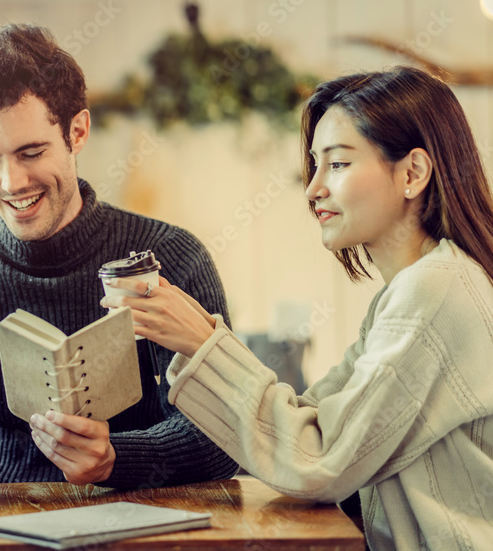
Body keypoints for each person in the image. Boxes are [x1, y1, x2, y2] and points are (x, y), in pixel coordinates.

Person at [102, 66, 493, 548]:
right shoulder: (410, 293)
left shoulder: (434, 292)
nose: (313, 189)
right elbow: (310, 420)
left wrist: (204, 343)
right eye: (316, 164)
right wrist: (199, 336)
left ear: (412, 173)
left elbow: (317, 462)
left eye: (339, 163)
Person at [0, 23, 238, 489]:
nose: (12, 182)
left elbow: (226, 437)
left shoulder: (173, 259)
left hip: (143, 526)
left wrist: (117, 459)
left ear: (77, 131)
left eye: (31, 152)